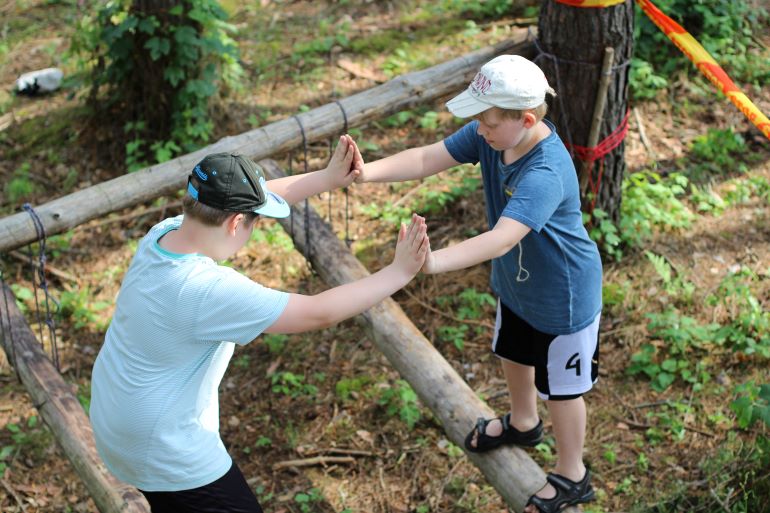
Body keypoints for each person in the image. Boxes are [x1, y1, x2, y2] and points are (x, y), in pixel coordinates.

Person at [89, 136, 429, 513]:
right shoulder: (206, 290)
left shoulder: (167, 232)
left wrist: (327, 178)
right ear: (236, 223)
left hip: (114, 415)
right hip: (165, 447)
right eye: (254, 223)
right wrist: (398, 272)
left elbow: (255, 194)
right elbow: (318, 312)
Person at [354, 55, 602, 512]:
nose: (479, 129)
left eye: (485, 122)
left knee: (563, 391)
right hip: (518, 286)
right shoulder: (495, 134)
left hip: (564, 297)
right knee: (513, 351)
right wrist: (369, 172)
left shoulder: (545, 171)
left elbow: (501, 238)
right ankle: (524, 422)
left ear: (525, 119)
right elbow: (430, 156)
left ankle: (573, 474)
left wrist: (429, 263)